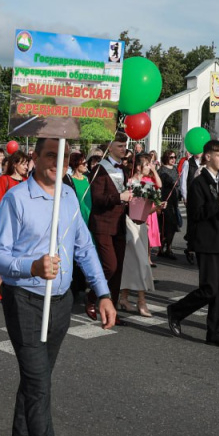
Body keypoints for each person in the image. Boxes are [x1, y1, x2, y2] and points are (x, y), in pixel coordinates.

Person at [0, 137, 116, 436]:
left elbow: (85, 248)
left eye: (62, 157)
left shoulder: (69, 197)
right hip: (25, 300)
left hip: (61, 302)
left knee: (38, 374)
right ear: (34, 157)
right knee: (39, 385)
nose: (56, 162)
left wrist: (103, 293)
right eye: (49, 154)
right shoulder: (15, 199)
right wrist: (31, 266)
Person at [166, 140, 219, 347]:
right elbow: (196, 214)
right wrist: (218, 203)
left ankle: (214, 331)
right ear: (207, 157)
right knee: (209, 289)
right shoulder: (198, 183)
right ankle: (177, 311)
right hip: (206, 242)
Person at [87, 133, 132, 323]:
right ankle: (91, 297)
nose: (124, 149)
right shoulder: (100, 169)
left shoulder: (125, 170)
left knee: (118, 269)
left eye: (125, 146)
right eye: (120, 146)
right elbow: (97, 199)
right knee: (110, 266)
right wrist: (119, 198)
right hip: (103, 223)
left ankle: (111, 311)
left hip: (120, 224)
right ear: (110, 147)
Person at [119, 156, 159, 316]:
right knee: (142, 263)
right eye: (148, 164)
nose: (150, 167)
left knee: (131, 263)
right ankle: (142, 302)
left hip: (142, 226)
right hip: (130, 225)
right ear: (138, 167)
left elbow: (150, 206)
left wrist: (157, 207)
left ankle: (124, 297)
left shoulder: (148, 184)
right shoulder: (128, 183)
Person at [0, 150, 29, 301]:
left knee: (17, 254)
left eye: (27, 163)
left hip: (23, 223)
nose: (26, 166)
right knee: (7, 254)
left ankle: (0, 282)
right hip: (7, 223)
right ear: (15, 164)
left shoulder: (26, 181)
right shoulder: (4, 180)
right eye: (23, 163)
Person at [156, 150, 181, 259]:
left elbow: (178, 183)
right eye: (171, 157)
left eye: (175, 157)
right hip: (165, 199)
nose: (173, 159)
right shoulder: (161, 170)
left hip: (174, 200)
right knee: (164, 225)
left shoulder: (175, 169)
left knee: (173, 225)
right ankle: (161, 248)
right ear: (166, 157)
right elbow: (159, 185)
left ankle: (169, 248)